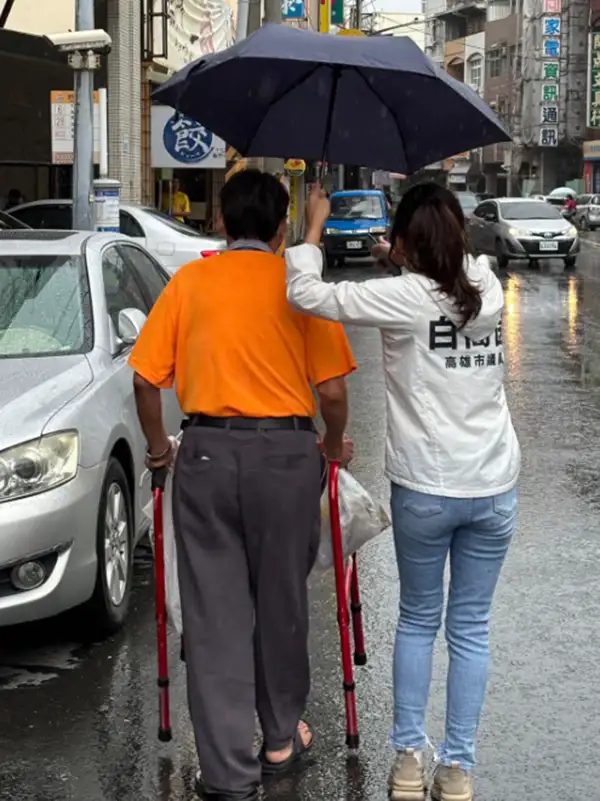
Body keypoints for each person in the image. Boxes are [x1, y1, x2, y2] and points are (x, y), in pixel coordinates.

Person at [285, 183, 520, 801]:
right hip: (494, 485)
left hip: (426, 486)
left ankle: (409, 763)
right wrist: (409, 258)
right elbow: (455, 274)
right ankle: (458, 770)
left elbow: (306, 293)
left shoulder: (402, 297)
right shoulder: (488, 288)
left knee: (418, 621)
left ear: (409, 244)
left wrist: (314, 229)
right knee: (470, 628)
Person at [129, 169, 356, 801]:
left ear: (222, 222)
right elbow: (333, 393)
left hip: (203, 454)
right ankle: (281, 739)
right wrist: (332, 445)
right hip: (286, 457)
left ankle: (227, 773)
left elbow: (146, 381)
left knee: (214, 615)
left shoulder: (191, 281)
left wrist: (156, 451)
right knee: (282, 602)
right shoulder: (299, 286)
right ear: (283, 226)